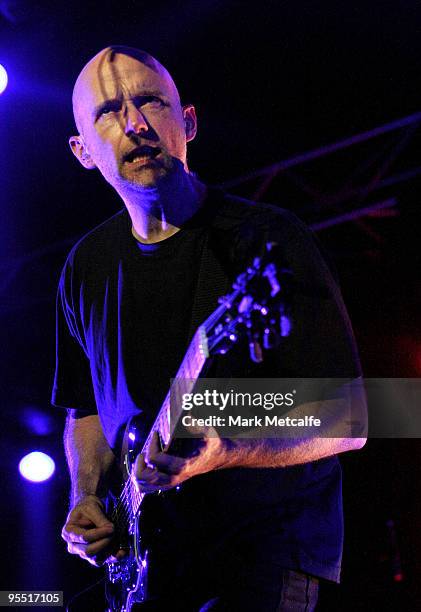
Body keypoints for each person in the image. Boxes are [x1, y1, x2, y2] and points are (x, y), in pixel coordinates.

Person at [52, 46, 366, 611]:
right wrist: (86, 495)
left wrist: (222, 447)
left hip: (262, 555)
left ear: (188, 121)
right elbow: (85, 409)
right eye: (108, 111)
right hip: (149, 563)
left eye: (151, 101)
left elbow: (351, 417)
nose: (135, 123)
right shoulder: (84, 265)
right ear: (82, 151)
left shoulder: (267, 239)